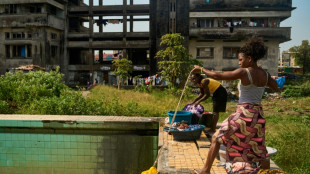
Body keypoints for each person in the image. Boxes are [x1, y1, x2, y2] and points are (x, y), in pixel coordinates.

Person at [191, 37, 278, 174]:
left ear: (249, 58)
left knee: (216, 138)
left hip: (244, 113)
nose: (239, 62)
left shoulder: (244, 72)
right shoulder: (265, 74)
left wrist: (201, 68)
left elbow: (218, 75)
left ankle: (205, 171)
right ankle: (265, 172)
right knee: (258, 146)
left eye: (240, 59)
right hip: (258, 115)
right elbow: (276, 87)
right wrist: (264, 77)